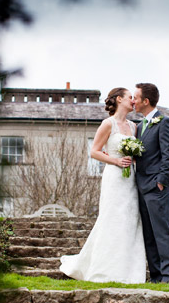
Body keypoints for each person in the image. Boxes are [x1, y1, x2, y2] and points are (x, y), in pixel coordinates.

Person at [59, 87, 147, 283]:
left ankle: (130, 272)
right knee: (112, 219)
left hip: (130, 179)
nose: (133, 101)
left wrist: (132, 159)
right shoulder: (108, 124)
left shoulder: (134, 127)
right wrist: (115, 161)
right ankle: (103, 269)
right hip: (114, 177)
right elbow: (94, 152)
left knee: (130, 220)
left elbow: (136, 155)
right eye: (130, 97)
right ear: (119, 99)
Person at [133, 83, 169, 283]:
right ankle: (156, 275)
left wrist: (161, 182)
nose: (133, 101)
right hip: (140, 186)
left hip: (156, 187)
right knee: (149, 234)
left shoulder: (164, 122)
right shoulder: (140, 126)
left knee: (162, 232)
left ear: (146, 101)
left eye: (136, 98)